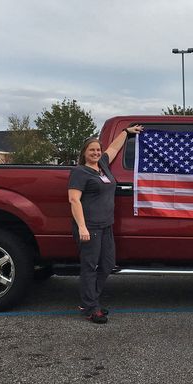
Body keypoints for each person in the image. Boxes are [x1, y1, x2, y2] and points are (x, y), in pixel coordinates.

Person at [68, 124, 143, 323]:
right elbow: (74, 200)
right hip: (89, 227)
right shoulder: (80, 172)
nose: (96, 152)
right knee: (90, 266)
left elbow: (113, 149)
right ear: (84, 153)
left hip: (105, 225)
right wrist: (82, 227)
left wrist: (126, 133)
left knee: (108, 264)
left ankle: (90, 301)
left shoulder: (102, 165)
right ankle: (91, 307)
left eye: (97, 150)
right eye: (91, 150)